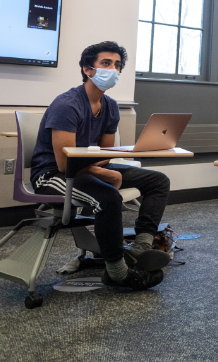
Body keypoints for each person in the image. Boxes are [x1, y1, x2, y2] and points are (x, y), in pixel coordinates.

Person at [30, 42, 172, 290]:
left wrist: (101, 170)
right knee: (108, 197)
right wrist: (101, 173)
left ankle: (140, 247)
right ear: (88, 69)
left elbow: (105, 154)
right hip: (52, 174)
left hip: (84, 168)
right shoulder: (67, 105)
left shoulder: (111, 106)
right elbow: (64, 163)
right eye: (106, 63)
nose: (113, 70)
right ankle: (117, 272)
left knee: (158, 180)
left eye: (117, 65)